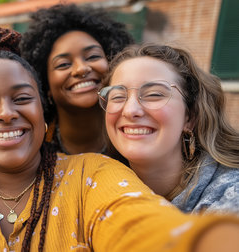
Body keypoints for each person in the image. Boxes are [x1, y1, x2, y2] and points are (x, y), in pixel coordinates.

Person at [0, 27, 239, 252]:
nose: (5, 114)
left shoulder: (94, 174)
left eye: (21, 98)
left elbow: (139, 224)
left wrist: (198, 241)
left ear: (43, 111)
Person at [98, 44, 239, 214]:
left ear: (190, 116)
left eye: (154, 94)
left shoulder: (230, 198)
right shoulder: (94, 186)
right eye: (118, 96)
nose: (130, 111)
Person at [20, 4, 133, 156]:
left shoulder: (135, 133)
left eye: (93, 56)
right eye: (63, 64)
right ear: (44, 83)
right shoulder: (32, 150)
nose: (81, 69)